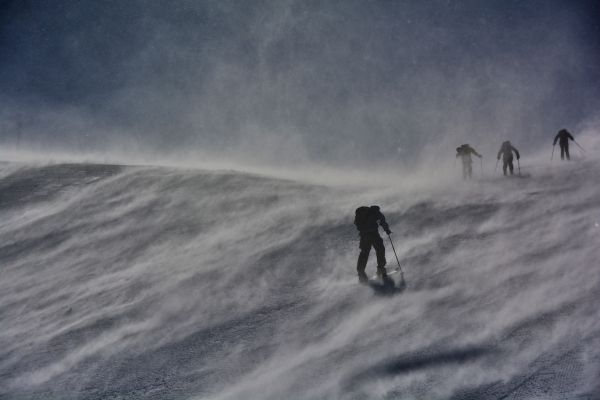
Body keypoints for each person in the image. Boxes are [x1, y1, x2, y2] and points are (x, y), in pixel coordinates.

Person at [354, 205, 391, 283]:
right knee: (380, 249)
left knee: (364, 253)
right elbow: (382, 221)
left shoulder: (362, 214)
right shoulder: (376, 213)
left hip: (364, 236)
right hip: (374, 234)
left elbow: (356, 224)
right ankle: (381, 269)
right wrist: (387, 230)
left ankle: (361, 273)